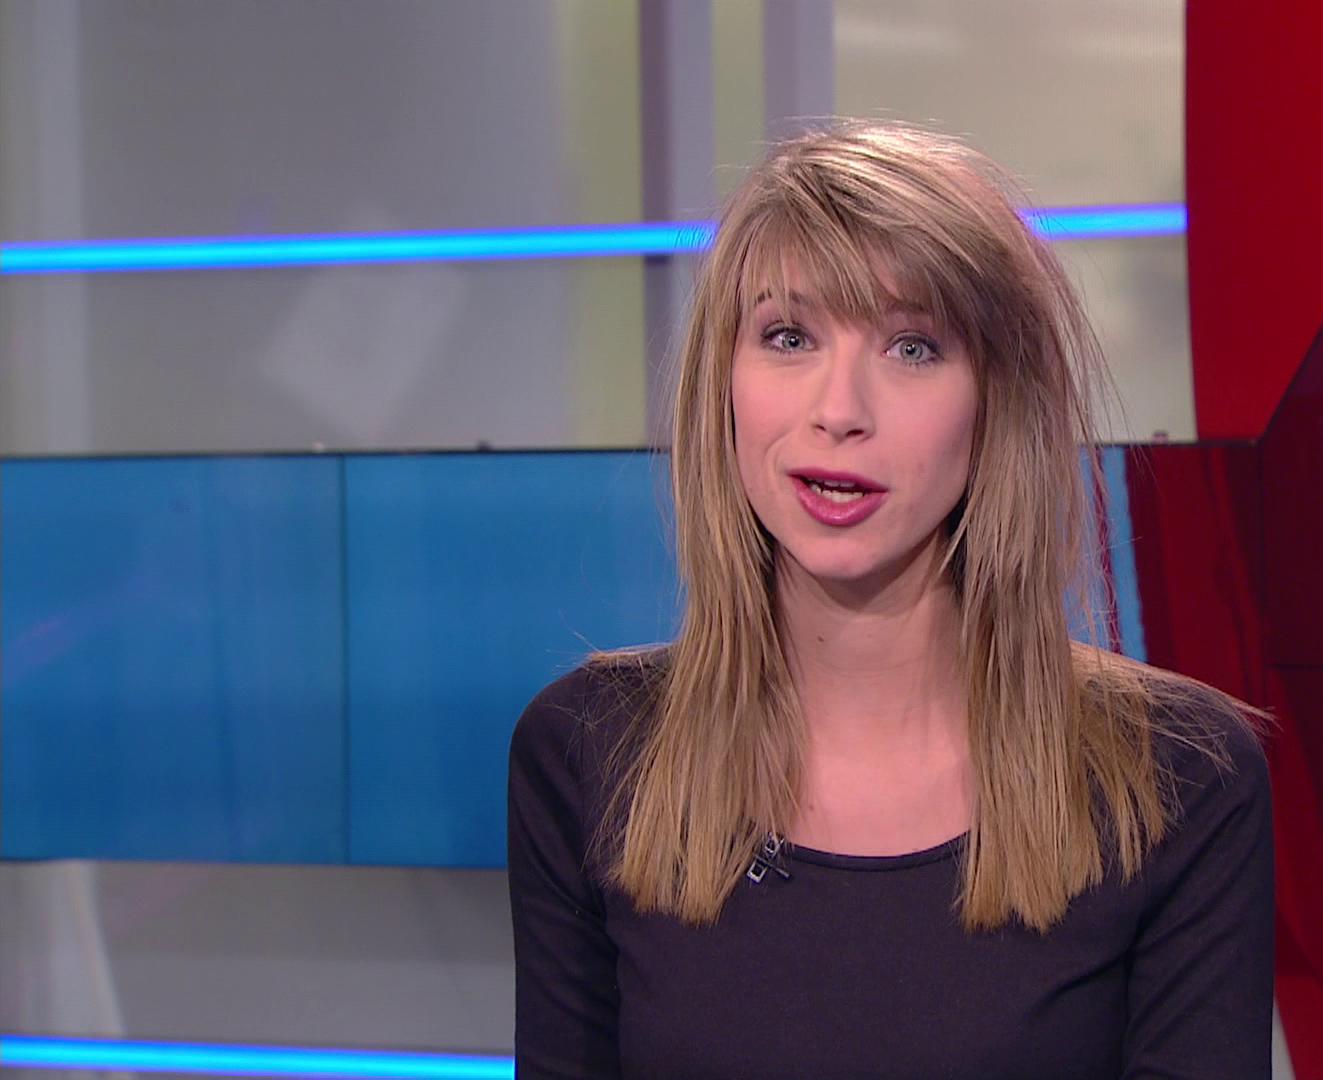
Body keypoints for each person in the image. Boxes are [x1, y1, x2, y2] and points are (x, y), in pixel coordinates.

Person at [507, 119, 1276, 1079]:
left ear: (999, 403)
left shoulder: (1176, 779)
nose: (839, 410)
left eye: (913, 347)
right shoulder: (590, 751)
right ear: (724, 383)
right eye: (788, 337)